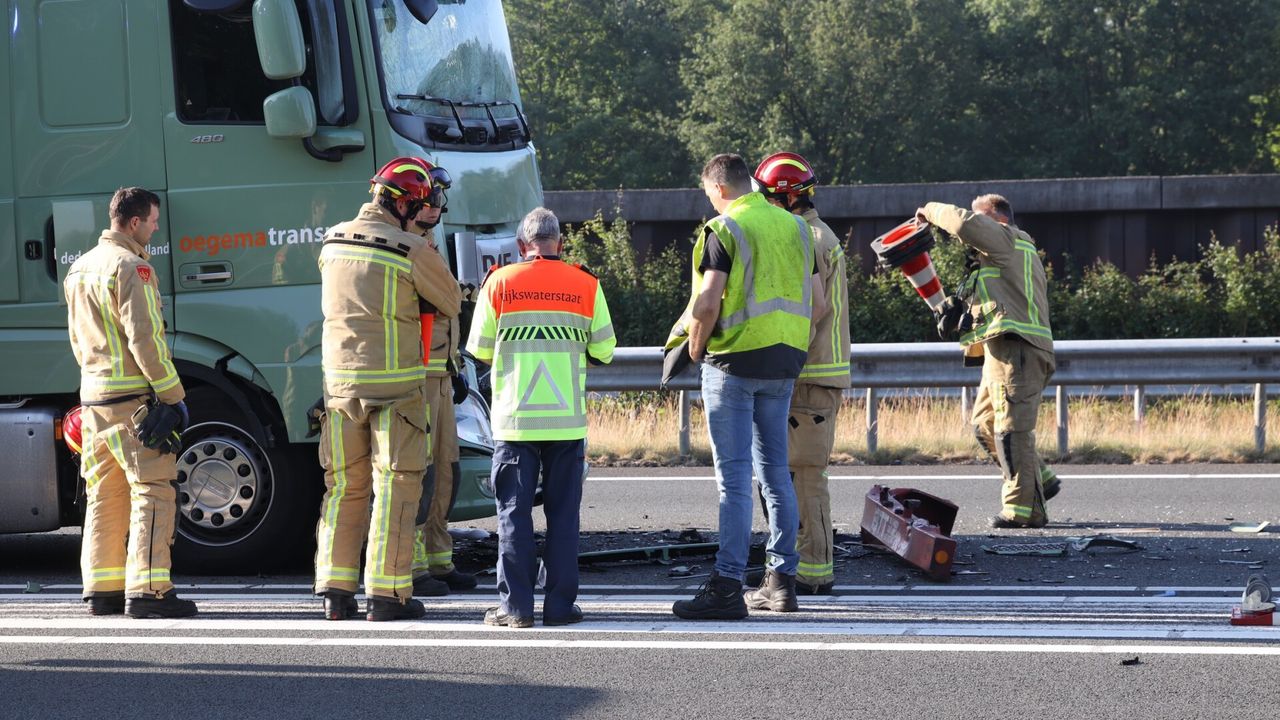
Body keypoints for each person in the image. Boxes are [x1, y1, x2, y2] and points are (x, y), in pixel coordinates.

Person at [671, 154, 818, 620]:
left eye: (707, 193)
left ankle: (728, 585)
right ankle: (782, 582)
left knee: (733, 480)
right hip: (784, 361)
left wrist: (695, 349)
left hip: (733, 362)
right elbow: (816, 303)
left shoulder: (725, 229)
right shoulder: (796, 227)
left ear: (718, 188)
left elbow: (708, 300)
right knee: (775, 473)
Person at [314, 157, 461, 621]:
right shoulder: (409, 249)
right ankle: (387, 594)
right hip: (396, 391)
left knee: (343, 489)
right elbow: (451, 300)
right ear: (406, 206)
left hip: (339, 390)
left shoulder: (333, 241)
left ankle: (336, 592)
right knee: (397, 488)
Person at [466, 207, 615, 628]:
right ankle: (560, 607)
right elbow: (603, 350)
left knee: (514, 512)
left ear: (520, 245)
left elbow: (479, 349)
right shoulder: (585, 284)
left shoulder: (499, 282)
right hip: (566, 423)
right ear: (560, 244)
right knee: (564, 516)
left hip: (515, 423)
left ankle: (515, 610)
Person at [65, 187, 197, 618]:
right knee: (153, 490)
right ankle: (150, 591)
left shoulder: (79, 269)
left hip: (93, 400)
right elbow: (146, 340)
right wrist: (173, 396)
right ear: (135, 222)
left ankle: (102, 589)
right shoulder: (132, 268)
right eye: (153, 222)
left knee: (104, 494)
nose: (156, 229)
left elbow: (77, 340)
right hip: (131, 402)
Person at [916, 194, 1056, 528]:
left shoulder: (1009, 240)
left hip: (1018, 350)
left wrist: (929, 211)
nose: (973, 234)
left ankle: (1024, 510)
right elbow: (991, 304)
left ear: (999, 220)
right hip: (1001, 351)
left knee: (1011, 431)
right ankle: (1041, 479)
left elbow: (964, 223)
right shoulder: (995, 261)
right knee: (985, 426)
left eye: (983, 220)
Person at [753, 152, 850, 595]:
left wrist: (781, 362)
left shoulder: (804, 238)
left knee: (804, 475)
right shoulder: (818, 233)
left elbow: (812, 310)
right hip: (814, 375)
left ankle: (812, 570)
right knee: (793, 473)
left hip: (808, 374)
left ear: (785, 197)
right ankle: (798, 564)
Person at [406, 163, 479, 598]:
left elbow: (447, 300)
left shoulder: (427, 244)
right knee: (422, 473)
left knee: (445, 471)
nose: (438, 207)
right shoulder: (407, 247)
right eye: (431, 200)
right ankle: (413, 566)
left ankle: (439, 557)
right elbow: (443, 299)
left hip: (440, 373)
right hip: (416, 377)